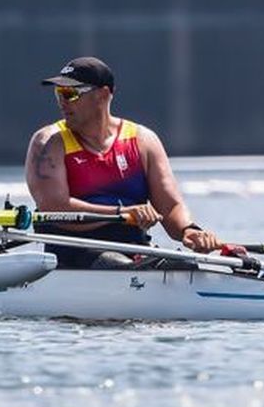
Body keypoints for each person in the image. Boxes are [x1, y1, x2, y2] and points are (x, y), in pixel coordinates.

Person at [25, 56, 224, 269]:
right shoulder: (49, 142)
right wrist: (122, 213)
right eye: (58, 94)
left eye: (69, 94)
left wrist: (190, 230)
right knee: (121, 266)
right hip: (74, 254)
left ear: (102, 95)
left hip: (135, 251)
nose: (62, 102)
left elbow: (171, 205)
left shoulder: (143, 140)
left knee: (184, 267)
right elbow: (54, 207)